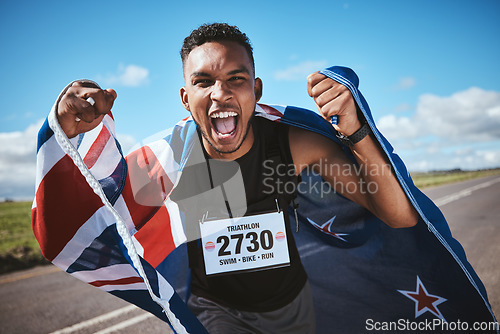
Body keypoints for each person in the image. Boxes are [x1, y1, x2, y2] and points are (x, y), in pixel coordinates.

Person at [33, 23, 496, 334]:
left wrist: (355, 129)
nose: (221, 92)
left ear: (256, 90)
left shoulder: (294, 145)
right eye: (203, 81)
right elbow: (91, 212)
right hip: (217, 314)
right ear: (183, 96)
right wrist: (65, 127)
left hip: (295, 306)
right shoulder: (163, 164)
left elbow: (396, 214)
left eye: (236, 78)